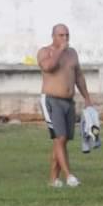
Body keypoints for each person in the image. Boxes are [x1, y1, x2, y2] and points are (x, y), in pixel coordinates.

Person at [37, 23, 93, 188]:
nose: (65, 38)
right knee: (59, 137)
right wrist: (60, 50)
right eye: (61, 35)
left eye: (67, 35)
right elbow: (48, 67)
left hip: (69, 101)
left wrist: (87, 98)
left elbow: (79, 76)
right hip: (51, 100)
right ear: (53, 36)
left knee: (62, 140)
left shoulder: (72, 53)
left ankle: (53, 179)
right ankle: (69, 175)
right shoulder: (45, 52)